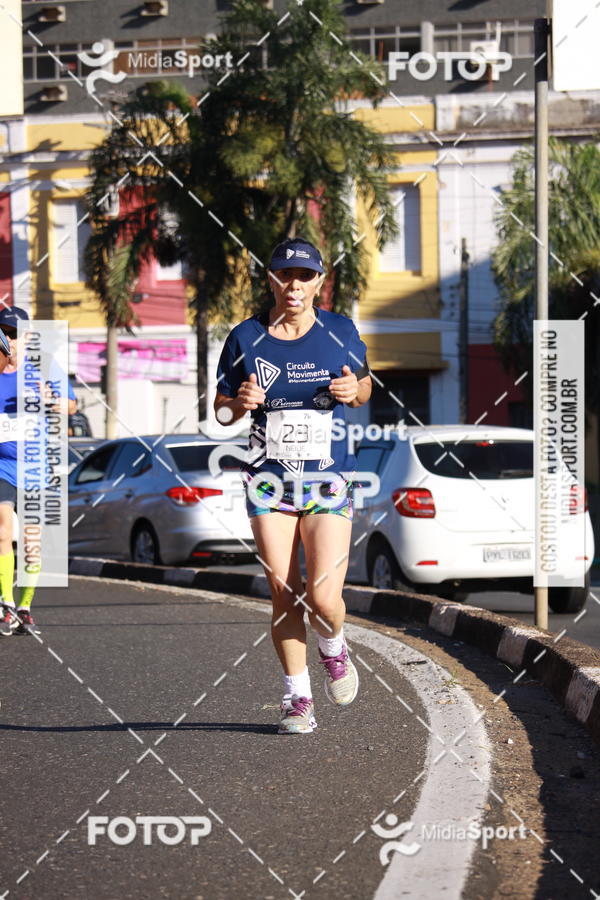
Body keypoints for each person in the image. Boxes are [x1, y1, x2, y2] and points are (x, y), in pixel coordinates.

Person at [214, 237, 372, 734]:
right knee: (283, 590)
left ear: (320, 282)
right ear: (271, 280)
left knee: (324, 599)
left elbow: (366, 386)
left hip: (327, 481)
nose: (294, 285)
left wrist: (354, 390)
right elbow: (219, 413)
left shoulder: (340, 330)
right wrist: (238, 402)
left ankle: (333, 646)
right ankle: (297, 699)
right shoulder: (245, 337)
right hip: (268, 484)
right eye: (285, 275)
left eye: (305, 276)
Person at [0, 306, 76, 637]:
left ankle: (24, 606)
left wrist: (51, 400)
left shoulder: (44, 367)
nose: (10, 339)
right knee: (2, 531)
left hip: (34, 466)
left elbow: (71, 406)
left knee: (32, 541)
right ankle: (5, 602)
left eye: (15, 333)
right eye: (5, 332)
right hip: (2, 465)